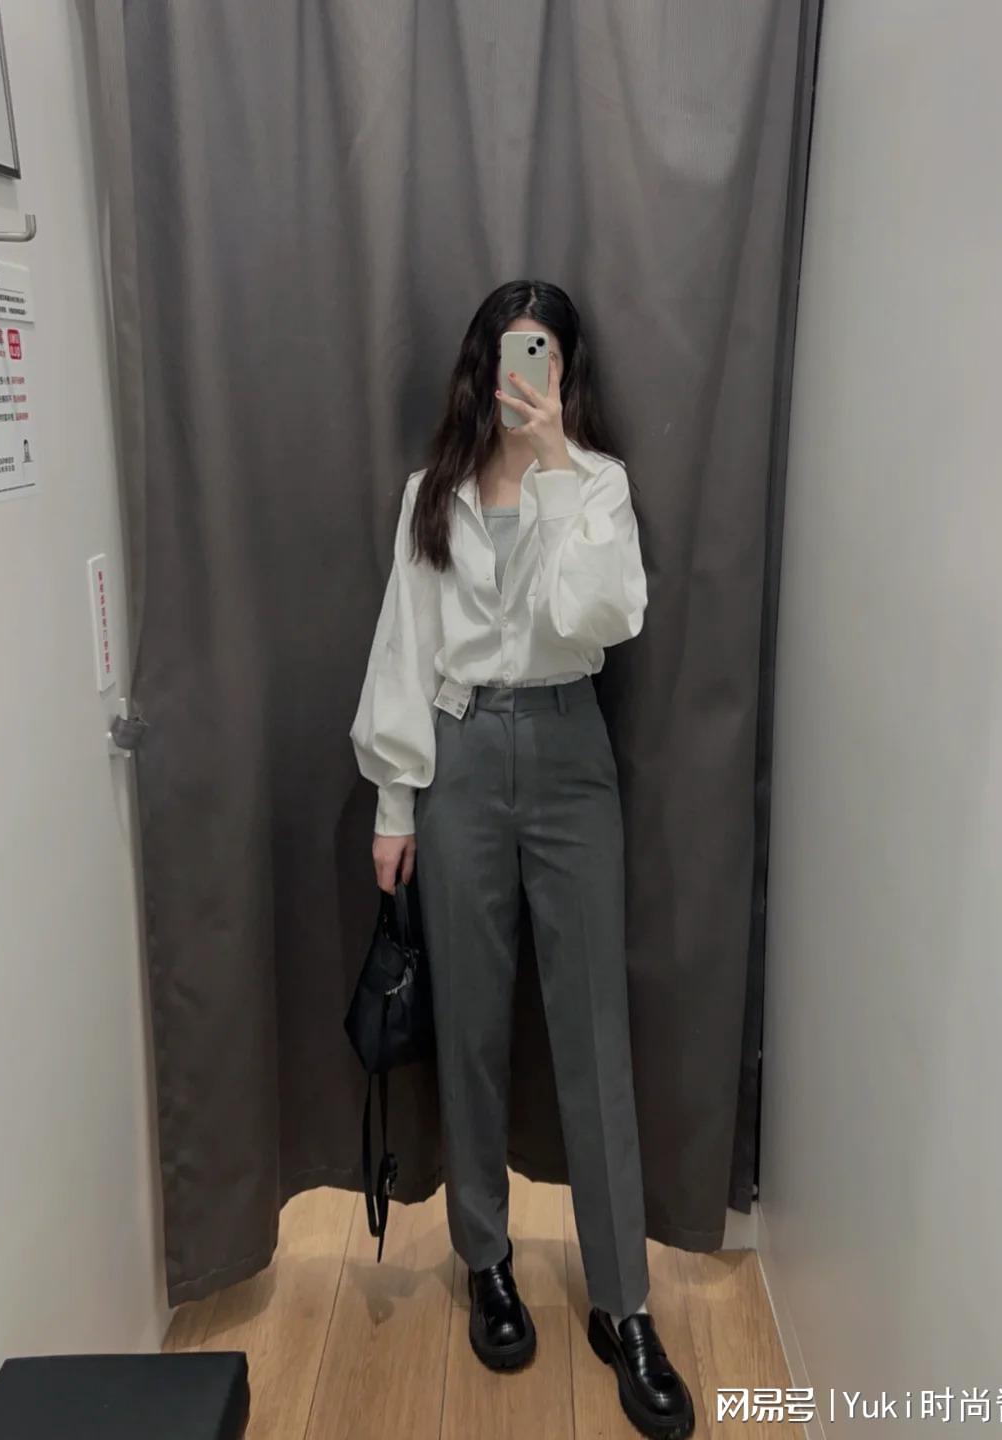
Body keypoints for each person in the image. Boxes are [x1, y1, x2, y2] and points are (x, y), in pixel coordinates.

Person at [350, 280, 694, 1440]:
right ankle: (486, 1259)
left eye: (542, 354)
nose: (523, 373)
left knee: (594, 1030)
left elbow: (605, 618)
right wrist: (393, 803)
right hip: (456, 754)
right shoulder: (431, 493)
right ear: (481, 362)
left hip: (567, 752)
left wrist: (553, 467)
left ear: (565, 367)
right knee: (473, 1026)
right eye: (509, 352)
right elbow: (404, 648)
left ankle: (623, 1305)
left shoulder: (597, 484)